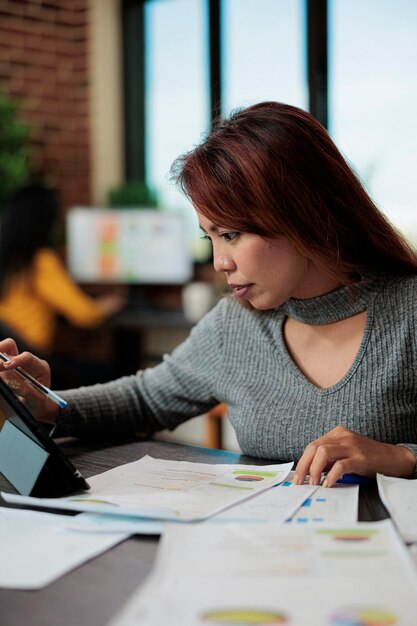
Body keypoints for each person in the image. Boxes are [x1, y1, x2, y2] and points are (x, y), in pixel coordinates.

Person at [1, 101, 417, 487]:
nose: (220, 262)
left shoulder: (408, 312)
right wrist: (47, 406)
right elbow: (146, 399)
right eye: (210, 237)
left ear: (303, 213)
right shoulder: (235, 323)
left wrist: (402, 457)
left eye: (232, 235)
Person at [0, 182, 126, 386]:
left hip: (8, 367)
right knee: (118, 375)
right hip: (33, 366)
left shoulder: (8, 262)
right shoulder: (40, 262)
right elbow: (85, 315)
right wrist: (113, 303)